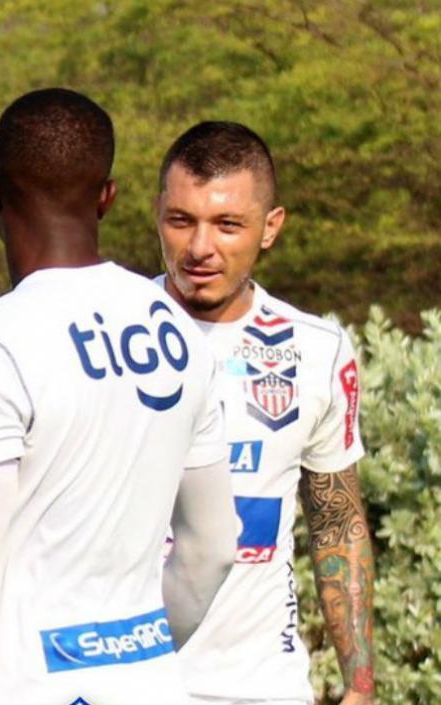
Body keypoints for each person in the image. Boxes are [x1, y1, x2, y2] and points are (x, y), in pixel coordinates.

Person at [0, 88, 237, 705]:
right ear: (108, 196)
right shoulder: (176, 329)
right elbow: (212, 548)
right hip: (150, 683)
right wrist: (137, 657)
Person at [153, 121, 375, 705]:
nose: (200, 248)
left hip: (262, 688)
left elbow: (337, 523)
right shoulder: (108, 339)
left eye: (228, 224)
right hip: (125, 683)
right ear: (157, 216)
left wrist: (359, 684)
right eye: (182, 220)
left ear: (271, 227)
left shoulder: (317, 351)